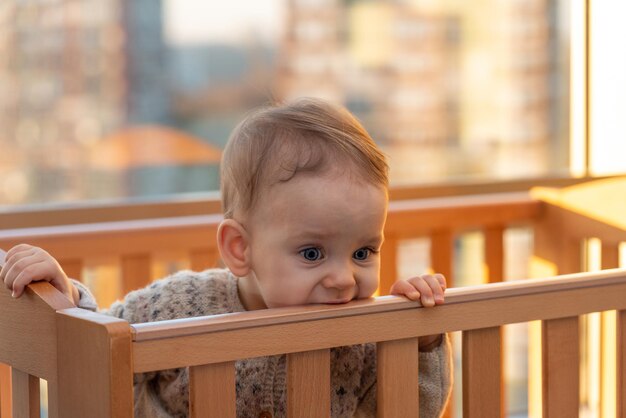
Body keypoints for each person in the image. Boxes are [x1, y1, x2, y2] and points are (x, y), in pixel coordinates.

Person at [1, 98, 451, 418]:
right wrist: (67, 298)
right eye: (312, 253)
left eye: (363, 252)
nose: (343, 279)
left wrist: (420, 340)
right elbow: (102, 343)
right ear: (240, 248)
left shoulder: (364, 334)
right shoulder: (179, 305)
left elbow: (404, 410)